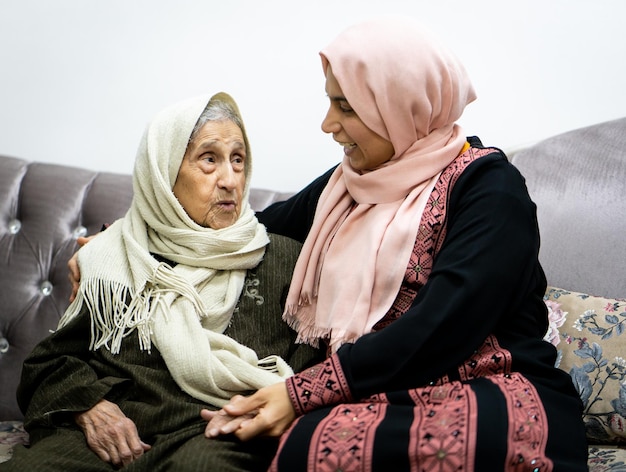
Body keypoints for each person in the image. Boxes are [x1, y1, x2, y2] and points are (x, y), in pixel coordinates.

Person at [203, 17, 589, 471]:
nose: (328, 124)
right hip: (377, 392)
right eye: (330, 103)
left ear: (399, 106)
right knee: (311, 445)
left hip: (492, 381)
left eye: (345, 107)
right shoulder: (346, 185)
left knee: (447, 446)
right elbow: (250, 232)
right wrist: (117, 236)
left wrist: (301, 393)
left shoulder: (488, 187)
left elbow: (448, 319)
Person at [0, 92, 321, 471]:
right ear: (164, 170)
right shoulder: (118, 253)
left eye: (238, 160)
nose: (230, 180)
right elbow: (51, 362)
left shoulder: (286, 259)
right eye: (209, 159)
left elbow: (308, 371)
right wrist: (89, 406)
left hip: (215, 432)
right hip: (115, 432)